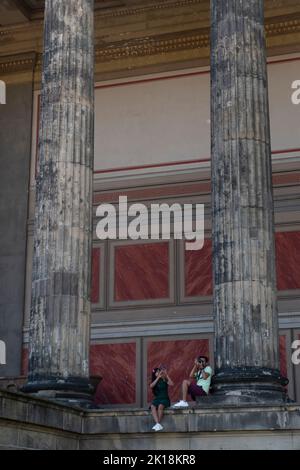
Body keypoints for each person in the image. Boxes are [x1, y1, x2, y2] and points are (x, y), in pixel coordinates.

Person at [150, 365, 174, 431]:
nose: (159, 372)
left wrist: (166, 375)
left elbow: (172, 384)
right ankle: (157, 423)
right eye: (157, 372)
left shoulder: (164, 379)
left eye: (159, 371)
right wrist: (158, 377)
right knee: (152, 406)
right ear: (154, 374)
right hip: (157, 399)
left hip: (165, 398)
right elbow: (151, 386)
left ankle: (158, 423)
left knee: (160, 406)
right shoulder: (156, 381)